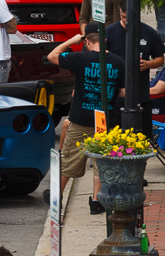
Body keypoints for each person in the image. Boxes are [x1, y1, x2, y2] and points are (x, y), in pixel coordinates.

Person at [48, 24, 125, 214]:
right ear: (105, 40)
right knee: (101, 161)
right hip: (105, 120)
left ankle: (57, 197)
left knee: (70, 160)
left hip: (82, 117)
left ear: (88, 41)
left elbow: (52, 56)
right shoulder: (118, 62)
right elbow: (123, 92)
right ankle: (97, 202)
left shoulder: (80, 58)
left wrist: (72, 41)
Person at [105, 0, 164, 137]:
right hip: (116, 96)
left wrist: (149, 64)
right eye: (122, 16)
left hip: (142, 95)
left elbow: (160, 59)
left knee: (143, 139)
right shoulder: (110, 32)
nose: (126, 21)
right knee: (116, 140)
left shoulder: (149, 32)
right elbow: (100, 58)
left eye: (129, 17)